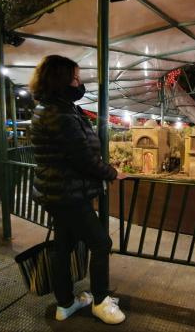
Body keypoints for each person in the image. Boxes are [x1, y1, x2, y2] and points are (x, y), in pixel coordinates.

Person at [30, 55, 126, 324]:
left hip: (58, 191)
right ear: (59, 80)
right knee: (100, 242)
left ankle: (65, 303)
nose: (79, 82)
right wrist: (113, 173)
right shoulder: (59, 113)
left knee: (64, 245)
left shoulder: (53, 108)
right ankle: (101, 300)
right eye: (74, 77)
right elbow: (82, 157)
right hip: (67, 193)